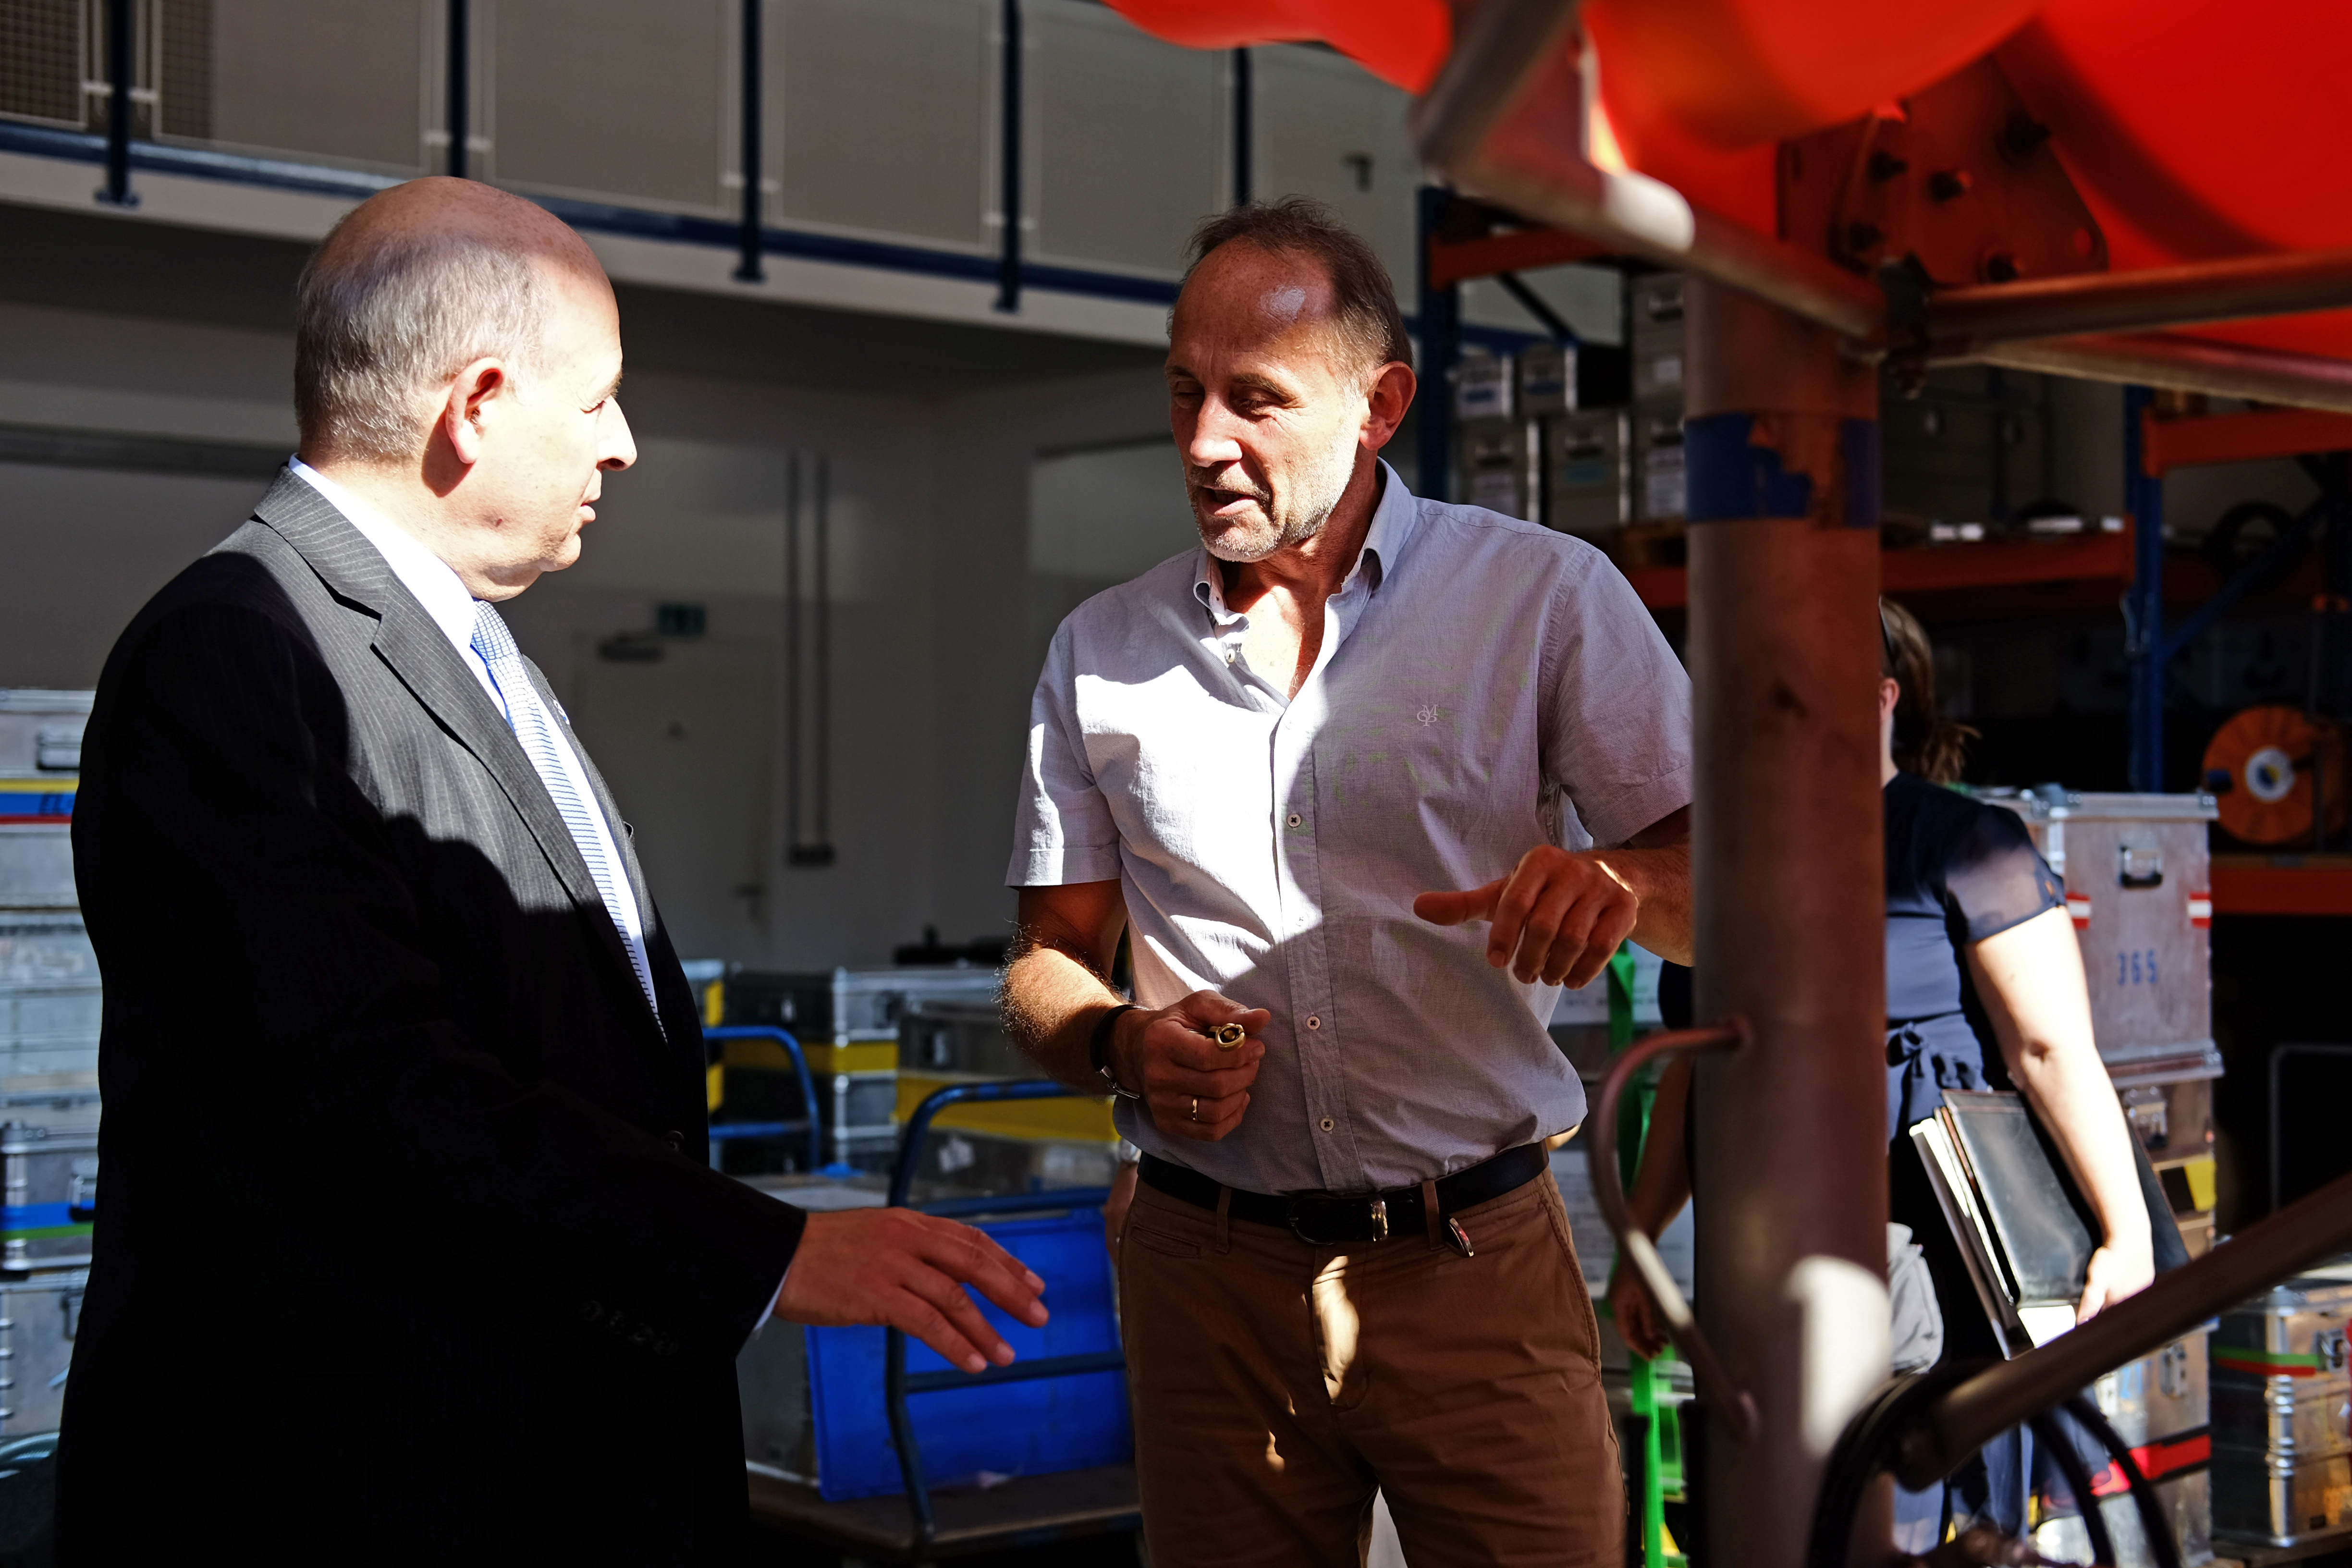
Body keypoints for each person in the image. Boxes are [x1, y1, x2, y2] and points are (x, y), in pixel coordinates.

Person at [59, 177, 1046, 1563]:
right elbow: (370, 1083)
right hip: (364, 1489)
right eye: (599, 403)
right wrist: (764, 1255)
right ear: (474, 404)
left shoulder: (465, 648)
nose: (625, 445)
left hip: (534, 1452)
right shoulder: (240, 649)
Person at [1002, 196, 1695, 1568]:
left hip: (1471, 1265)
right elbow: (1043, 965)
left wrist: (1617, 881)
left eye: (1255, 400)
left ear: (1379, 406)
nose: (1205, 442)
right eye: (1185, 393)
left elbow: (1726, 892)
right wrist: (1120, 1043)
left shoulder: (1545, 600)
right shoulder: (1101, 652)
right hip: (1206, 1279)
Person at [1607, 597, 2158, 1544]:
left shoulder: (1966, 843)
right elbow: (1694, 1064)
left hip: (1933, 1247)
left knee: (1930, 1512)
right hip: (1763, 1266)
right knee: (1780, 1516)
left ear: (1883, 699)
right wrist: (1643, 1244)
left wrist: (2128, 1232)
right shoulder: (1717, 864)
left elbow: (2050, 1051)